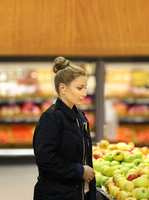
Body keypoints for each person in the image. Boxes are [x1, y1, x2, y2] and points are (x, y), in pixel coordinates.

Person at [33, 56, 96, 200]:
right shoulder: (51, 118)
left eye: (85, 88)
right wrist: (79, 171)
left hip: (77, 193)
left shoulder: (79, 117)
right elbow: (45, 159)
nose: (84, 94)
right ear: (63, 88)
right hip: (56, 194)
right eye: (79, 88)